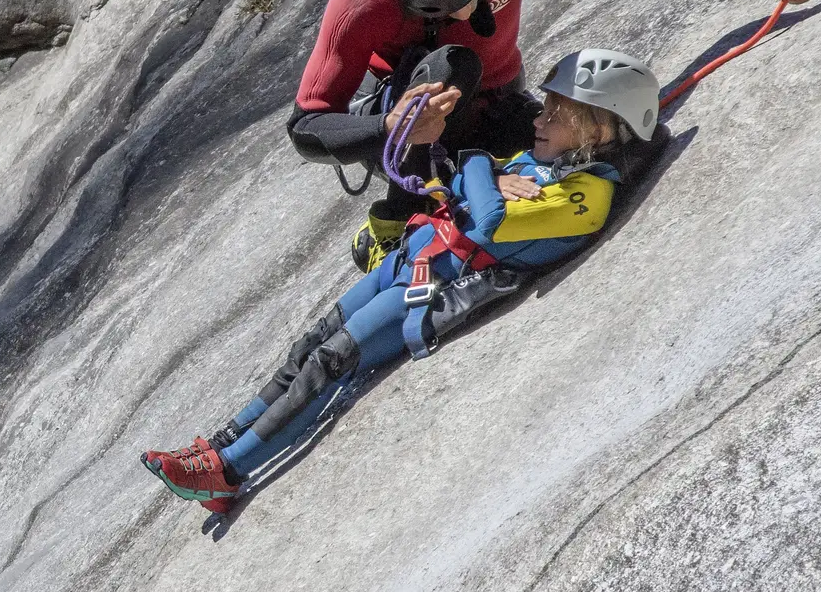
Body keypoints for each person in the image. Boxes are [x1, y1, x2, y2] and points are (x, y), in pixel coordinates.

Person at [143, 48, 660, 512]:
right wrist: (482, 176)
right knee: (307, 346)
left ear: (597, 127)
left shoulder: (586, 197)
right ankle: (218, 442)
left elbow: (487, 218)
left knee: (331, 361)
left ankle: (228, 469)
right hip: (413, 258)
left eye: (557, 113)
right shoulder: (549, 166)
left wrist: (479, 165)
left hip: (430, 292)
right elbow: (467, 188)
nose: (539, 118)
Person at [290, 0, 818, 270]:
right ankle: (398, 213)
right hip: (410, 120)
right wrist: (390, 126)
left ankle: (466, 173)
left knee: (616, 144)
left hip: (496, 98)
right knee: (451, 64)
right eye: (448, 8)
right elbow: (307, 124)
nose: (471, 9)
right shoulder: (362, 4)